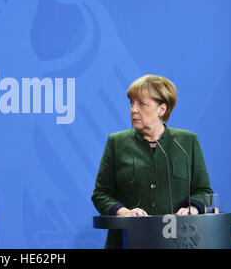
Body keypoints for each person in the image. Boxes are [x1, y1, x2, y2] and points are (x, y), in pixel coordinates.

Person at [91, 74, 213, 249]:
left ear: (161, 110)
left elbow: (203, 190)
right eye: (131, 103)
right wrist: (124, 212)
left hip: (177, 241)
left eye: (141, 104)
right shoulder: (116, 142)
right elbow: (101, 193)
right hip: (127, 241)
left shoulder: (187, 142)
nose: (133, 110)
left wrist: (191, 209)